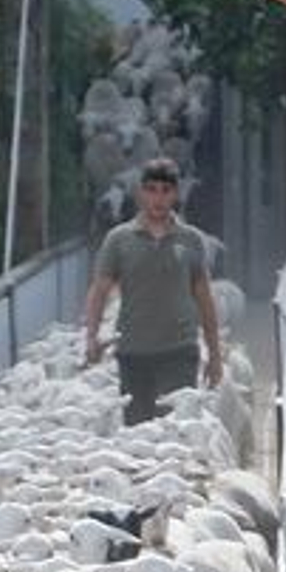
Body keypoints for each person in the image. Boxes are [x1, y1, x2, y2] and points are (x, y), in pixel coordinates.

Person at [83, 159, 224, 424]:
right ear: (140, 194)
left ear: (176, 193)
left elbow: (204, 297)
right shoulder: (119, 239)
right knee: (139, 436)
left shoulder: (190, 239)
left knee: (178, 432)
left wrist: (214, 355)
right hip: (134, 353)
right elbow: (99, 290)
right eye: (151, 189)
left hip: (180, 352)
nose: (158, 198)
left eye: (165, 190)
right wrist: (91, 336)